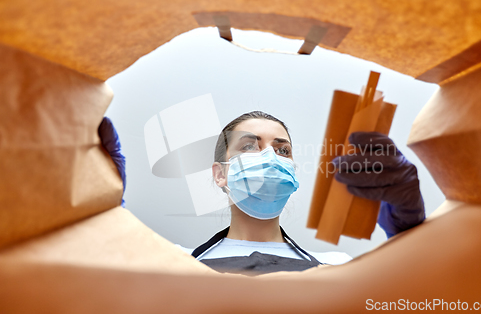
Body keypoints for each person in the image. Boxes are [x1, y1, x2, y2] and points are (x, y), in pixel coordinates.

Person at [99, 112, 425, 276]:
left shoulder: (335, 267)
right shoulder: (172, 262)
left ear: (294, 173)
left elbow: (425, 297)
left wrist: (409, 232)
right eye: (249, 146)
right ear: (220, 174)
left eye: (282, 151)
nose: (269, 157)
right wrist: (102, 211)